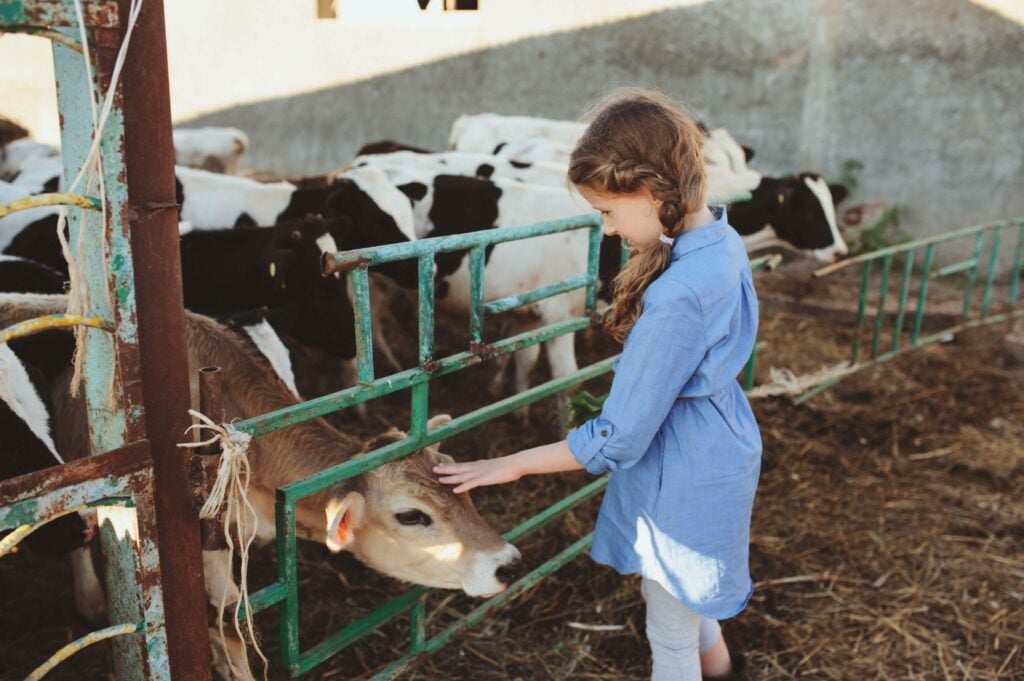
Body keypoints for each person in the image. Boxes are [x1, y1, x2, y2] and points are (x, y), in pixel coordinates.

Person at [434, 86, 760, 681]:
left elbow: (619, 437)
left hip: (681, 474)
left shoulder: (677, 297)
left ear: (650, 192)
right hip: (717, 448)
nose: (606, 231)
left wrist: (510, 464)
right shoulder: (719, 240)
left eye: (607, 212)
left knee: (669, 634)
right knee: (686, 604)